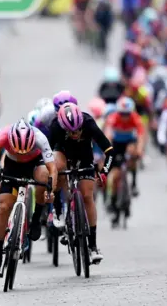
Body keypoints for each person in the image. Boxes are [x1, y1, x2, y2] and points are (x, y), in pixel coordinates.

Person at [0, 119, 57, 276]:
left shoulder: (40, 138)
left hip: (35, 163)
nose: (22, 153)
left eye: (26, 149)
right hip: (12, 166)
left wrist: (51, 191)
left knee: (44, 177)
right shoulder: (1, 136)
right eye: (18, 149)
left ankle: (36, 219)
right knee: (3, 207)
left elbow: (53, 170)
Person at [49, 103, 113, 263]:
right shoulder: (55, 127)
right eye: (71, 131)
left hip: (84, 155)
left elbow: (109, 150)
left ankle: (92, 246)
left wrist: (104, 171)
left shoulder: (89, 123)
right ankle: (58, 210)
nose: (75, 133)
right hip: (62, 152)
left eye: (78, 130)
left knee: (87, 196)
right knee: (58, 167)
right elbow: (46, 156)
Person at [104, 97, 144, 216]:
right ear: (118, 112)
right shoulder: (113, 118)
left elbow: (141, 136)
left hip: (129, 143)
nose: (125, 117)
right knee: (114, 176)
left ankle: (134, 182)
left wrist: (140, 150)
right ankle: (112, 199)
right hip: (116, 144)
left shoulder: (135, 118)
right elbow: (108, 134)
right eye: (122, 114)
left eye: (127, 114)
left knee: (133, 152)